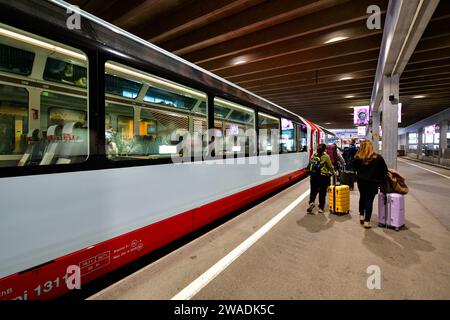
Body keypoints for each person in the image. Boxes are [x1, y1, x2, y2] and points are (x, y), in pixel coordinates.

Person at [352, 140, 388, 229]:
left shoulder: (358, 157)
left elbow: (354, 168)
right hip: (373, 182)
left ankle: (361, 215)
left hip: (361, 181)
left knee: (362, 197)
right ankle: (367, 222)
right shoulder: (378, 158)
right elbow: (385, 171)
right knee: (369, 200)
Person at [306, 143, 335, 214]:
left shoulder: (313, 155)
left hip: (314, 176)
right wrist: (334, 172)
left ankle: (311, 202)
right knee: (322, 192)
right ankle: (321, 208)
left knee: (313, 191)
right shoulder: (326, 156)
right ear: (325, 149)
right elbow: (330, 167)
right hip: (323, 177)